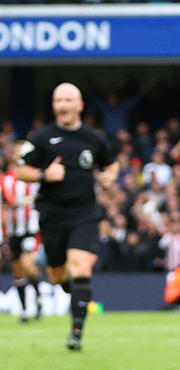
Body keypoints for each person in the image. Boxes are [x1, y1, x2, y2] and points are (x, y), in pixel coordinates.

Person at [15, 83, 118, 350]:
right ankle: (73, 291)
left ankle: (76, 332)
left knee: (81, 266)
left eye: (68, 100)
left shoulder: (93, 138)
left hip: (84, 213)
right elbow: (20, 170)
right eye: (58, 100)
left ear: (79, 105)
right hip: (52, 215)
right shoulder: (41, 137)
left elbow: (111, 163)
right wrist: (43, 175)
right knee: (58, 276)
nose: (62, 105)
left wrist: (110, 176)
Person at [3, 143, 44, 322]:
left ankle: (38, 295)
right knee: (18, 272)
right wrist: (24, 201)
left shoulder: (34, 176)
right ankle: (26, 310)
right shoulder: (7, 179)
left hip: (31, 230)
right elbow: (10, 201)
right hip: (13, 231)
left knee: (28, 264)